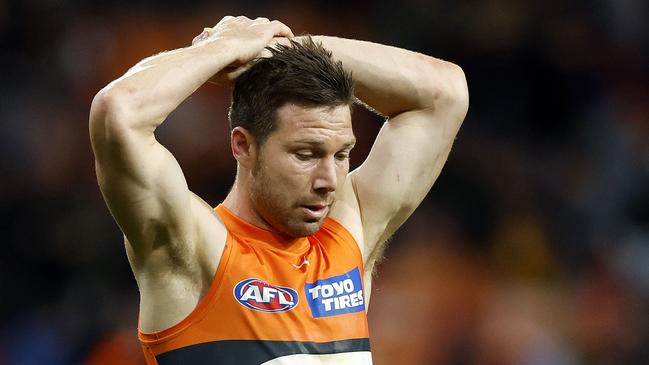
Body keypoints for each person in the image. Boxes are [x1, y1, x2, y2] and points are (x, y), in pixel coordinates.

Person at [89, 15, 468, 365]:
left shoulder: (349, 233)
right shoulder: (192, 250)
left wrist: (279, 47)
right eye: (306, 154)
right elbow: (118, 112)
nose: (329, 181)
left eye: (342, 154)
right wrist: (221, 49)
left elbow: (445, 91)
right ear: (243, 146)